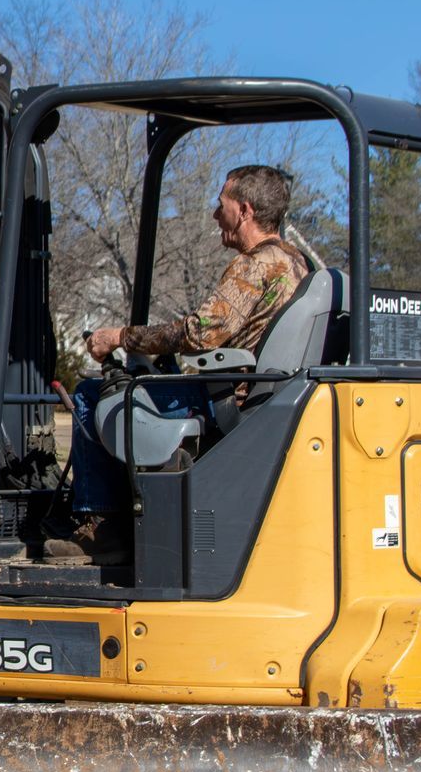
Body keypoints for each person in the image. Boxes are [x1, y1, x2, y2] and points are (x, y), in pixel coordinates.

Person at [61, 164, 310, 564]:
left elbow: (200, 334)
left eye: (221, 205)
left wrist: (120, 337)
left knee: (91, 395)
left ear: (244, 210)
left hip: (229, 398)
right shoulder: (299, 264)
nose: (215, 215)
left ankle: (103, 529)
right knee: (141, 385)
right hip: (270, 394)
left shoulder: (255, 264)